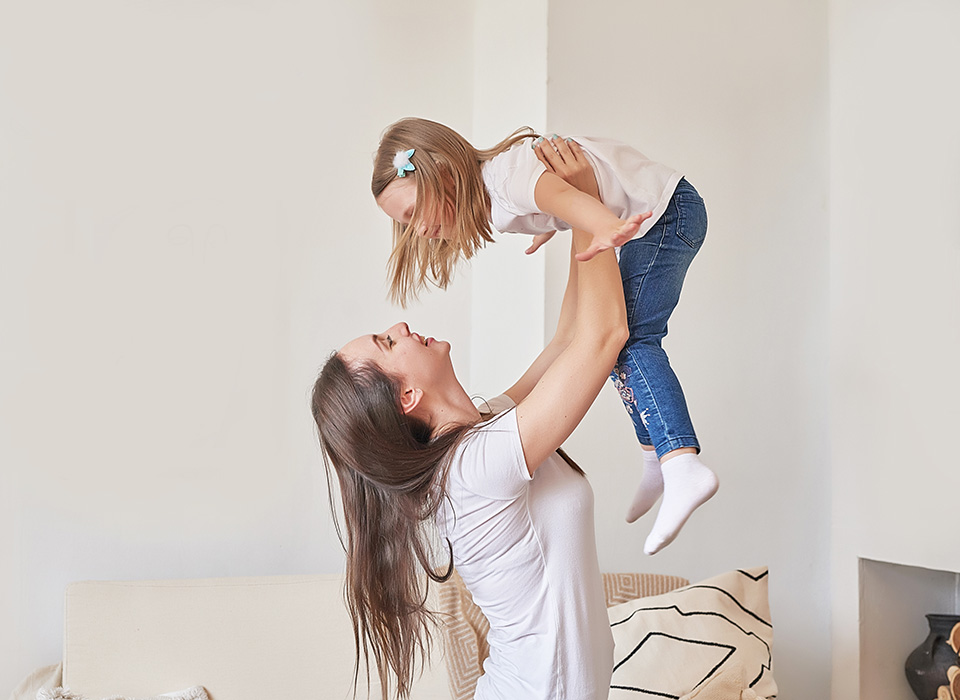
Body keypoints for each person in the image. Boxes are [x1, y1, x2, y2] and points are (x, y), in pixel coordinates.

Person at [311, 212, 633, 699]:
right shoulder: (473, 467)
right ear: (405, 398)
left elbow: (568, 339)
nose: (399, 324)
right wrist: (588, 204)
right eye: (386, 342)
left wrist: (574, 210)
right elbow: (605, 336)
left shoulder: (482, 435)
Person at [371, 118, 718, 555]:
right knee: (627, 346)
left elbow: (562, 199)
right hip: (656, 217)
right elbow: (563, 205)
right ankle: (661, 453)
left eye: (412, 214)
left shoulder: (502, 178)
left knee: (632, 342)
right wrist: (567, 220)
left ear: (443, 171)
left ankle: (676, 456)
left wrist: (598, 225)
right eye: (406, 224)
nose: (417, 230)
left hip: (665, 214)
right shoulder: (476, 454)